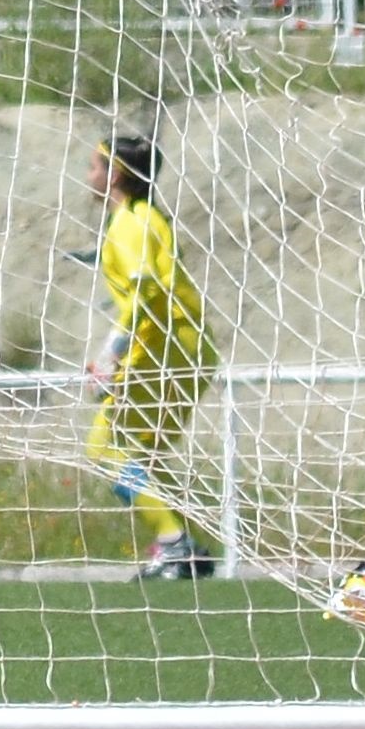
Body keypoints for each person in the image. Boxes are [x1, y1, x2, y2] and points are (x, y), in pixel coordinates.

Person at [80, 133, 220, 579]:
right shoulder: (149, 217)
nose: (89, 176)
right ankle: (182, 547)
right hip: (187, 345)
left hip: (165, 348)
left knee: (104, 449)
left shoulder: (129, 225)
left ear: (114, 173)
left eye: (94, 167)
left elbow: (143, 293)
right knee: (141, 455)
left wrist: (109, 355)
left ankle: (175, 544)